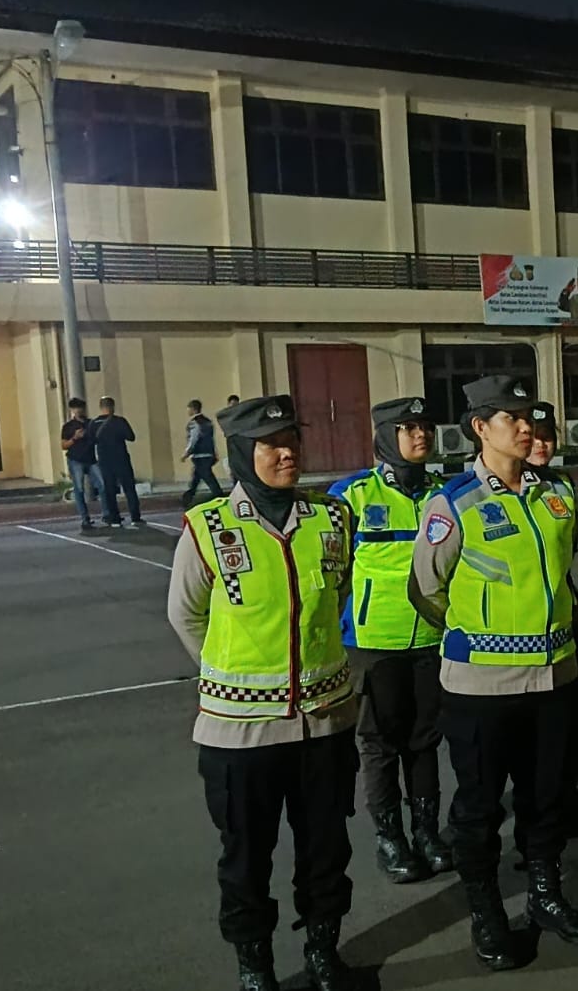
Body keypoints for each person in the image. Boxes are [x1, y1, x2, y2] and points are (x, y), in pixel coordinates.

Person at [409, 376, 578, 971]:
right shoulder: (454, 503)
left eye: (530, 417)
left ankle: (545, 896)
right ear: (480, 427)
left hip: (553, 681)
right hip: (482, 689)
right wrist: (485, 637)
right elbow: (426, 590)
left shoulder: (556, 494)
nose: (526, 427)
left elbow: (561, 574)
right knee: (478, 807)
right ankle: (487, 912)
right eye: (511, 418)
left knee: (545, 799)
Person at [166, 395, 362, 991]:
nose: (286, 454)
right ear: (240, 454)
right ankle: (257, 970)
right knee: (246, 858)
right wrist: (235, 679)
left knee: (326, 851)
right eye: (271, 445)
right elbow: (186, 616)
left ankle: (325, 955)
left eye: (292, 441)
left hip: (324, 725)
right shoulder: (208, 528)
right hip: (240, 736)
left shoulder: (332, 518)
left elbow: (338, 593)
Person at [328, 397, 452, 886]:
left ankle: (426, 832)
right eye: (408, 427)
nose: (421, 435)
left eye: (425, 426)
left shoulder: (444, 493)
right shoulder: (352, 496)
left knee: (424, 741)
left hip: (430, 637)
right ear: (384, 435)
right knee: (379, 745)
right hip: (372, 643)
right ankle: (390, 837)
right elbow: (332, 571)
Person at [527, 401, 578, 825]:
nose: (542, 444)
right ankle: (537, 807)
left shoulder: (562, 485)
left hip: (568, 618)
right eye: (534, 436)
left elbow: (567, 550)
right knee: (533, 728)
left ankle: (567, 791)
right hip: (522, 630)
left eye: (548, 436)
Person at [90, 396, 144, 526]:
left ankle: (114, 518)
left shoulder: (94, 423)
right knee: (129, 488)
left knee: (109, 490)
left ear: (101, 407)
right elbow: (131, 437)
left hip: (105, 461)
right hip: (121, 459)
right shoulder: (119, 421)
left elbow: (91, 441)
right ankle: (135, 517)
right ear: (113, 407)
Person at [60, 398, 103, 531]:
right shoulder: (68, 426)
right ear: (72, 410)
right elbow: (63, 445)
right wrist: (75, 438)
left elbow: (97, 438)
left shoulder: (91, 424)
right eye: (75, 408)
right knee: (79, 489)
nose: (78, 410)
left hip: (91, 459)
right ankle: (85, 519)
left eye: (80, 408)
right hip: (75, 459)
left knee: (103, 485)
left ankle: (108, 514)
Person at [181, 399, 226, 507]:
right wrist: (214, 453)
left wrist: (186, 453)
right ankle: (188, 497)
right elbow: (211, 439)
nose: (188, 411)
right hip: (208, 453)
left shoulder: (194, 423)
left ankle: (219, 496)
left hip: (199, 455)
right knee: (196, 477)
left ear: (193, 409)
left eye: (189, 409)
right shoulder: (208, 422)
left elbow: (193, 439)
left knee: (208, 477)